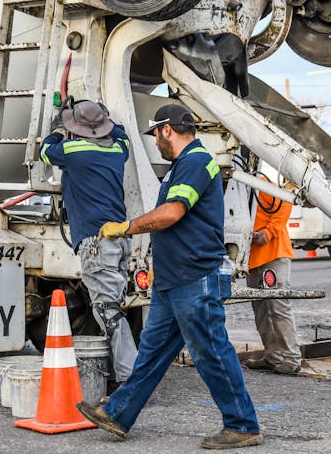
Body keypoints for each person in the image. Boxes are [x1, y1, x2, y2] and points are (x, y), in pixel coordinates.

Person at [76, 104, 262, 450]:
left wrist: (127, 227)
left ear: (166, 130)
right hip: (173, 281)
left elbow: (173, 212)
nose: (156, 143)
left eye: (155, 135)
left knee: (211, 353)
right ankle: (118, 413)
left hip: (195, 279)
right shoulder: (182, 165)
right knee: (151, 353)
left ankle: (243, 425)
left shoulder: (196, 162)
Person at [39, 100, 137, 389]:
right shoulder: (118, 151)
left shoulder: (71, 151)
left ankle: (130, 378)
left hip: (96, 242)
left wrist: (58, 127)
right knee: (114, 307)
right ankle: (118, 372)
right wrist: (106, 118)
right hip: (118, 242)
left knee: (108, 310)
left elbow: (45, 151)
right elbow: (122, 135)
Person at [244, 184, 302, 375]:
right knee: (260, 309)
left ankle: (292, 359)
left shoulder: (259, 183)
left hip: (273, 253)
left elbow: (285, 201)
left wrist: (268, 232)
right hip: (252, 257)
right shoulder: (236, 188)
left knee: (278, 306)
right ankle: (272, 357)